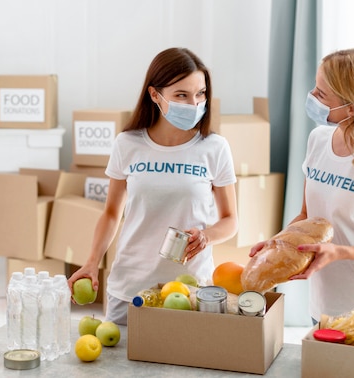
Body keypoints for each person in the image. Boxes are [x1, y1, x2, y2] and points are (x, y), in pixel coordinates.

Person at [251, 48, 354, 355]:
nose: (312, 97)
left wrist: (340, 252)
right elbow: (306, 215)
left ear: (352, 106)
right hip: (326, 310)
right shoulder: (318, 140)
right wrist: (276, 245)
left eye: (321, 94)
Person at [68, 47, 239, 325]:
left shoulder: (215, 148)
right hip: (129, 288)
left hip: (189, 290)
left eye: (200, 93)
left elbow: (231, 221)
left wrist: (206, 236)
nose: (194, 103)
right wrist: (91, 262)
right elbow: (111, 213)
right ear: (155, 95)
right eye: (181, 95)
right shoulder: (128, 144)